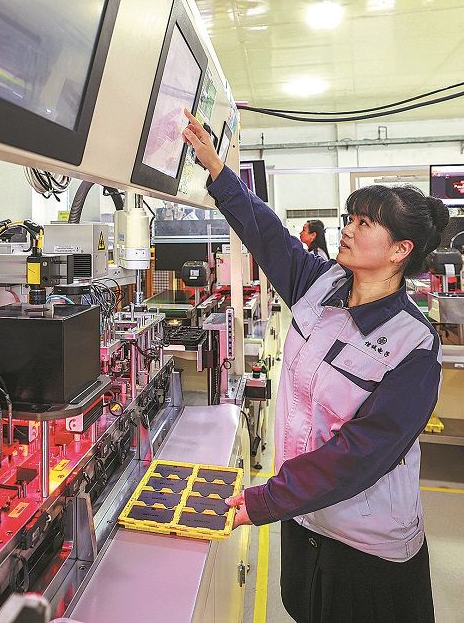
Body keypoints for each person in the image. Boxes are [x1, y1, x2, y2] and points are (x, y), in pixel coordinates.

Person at [182, 109, 444, 623]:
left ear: (400, 251)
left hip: (367, 546)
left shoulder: (412, 347)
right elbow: (265, 232)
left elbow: (356, 456)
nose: (347, 230)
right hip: (304, 521)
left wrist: (263, 500)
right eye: (349, 219)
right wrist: (215, 167)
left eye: (364, 223)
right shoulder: (318, 284)